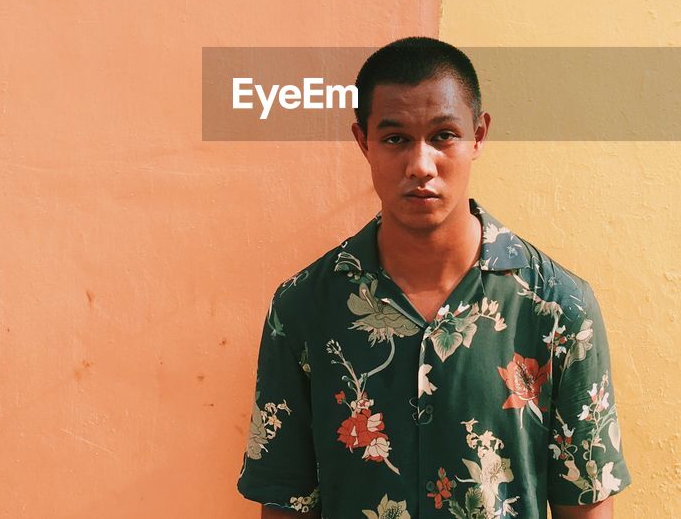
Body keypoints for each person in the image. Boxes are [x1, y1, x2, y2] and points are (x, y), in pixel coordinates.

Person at [237, 37, 630, 518]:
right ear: (363, 142)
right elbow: (285, 502)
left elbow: (585, 504)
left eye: (444, 135)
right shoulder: (302, 309)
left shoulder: (558, 309)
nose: (421, 165)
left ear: (478, 136)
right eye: (395, 138)